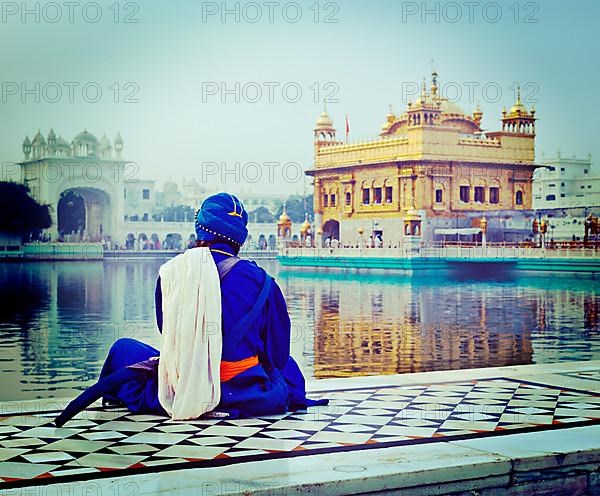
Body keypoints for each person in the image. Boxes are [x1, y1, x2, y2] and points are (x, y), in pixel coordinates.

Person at [55, 193, 326, 425]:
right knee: (287, 366)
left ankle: (156, 397)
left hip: (182, 383)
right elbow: (277, 355)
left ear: (200, 230)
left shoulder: (172, 273)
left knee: (123, 350)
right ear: (239, 237)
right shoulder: (264, 282)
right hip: (245, 392)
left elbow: (168, 332)